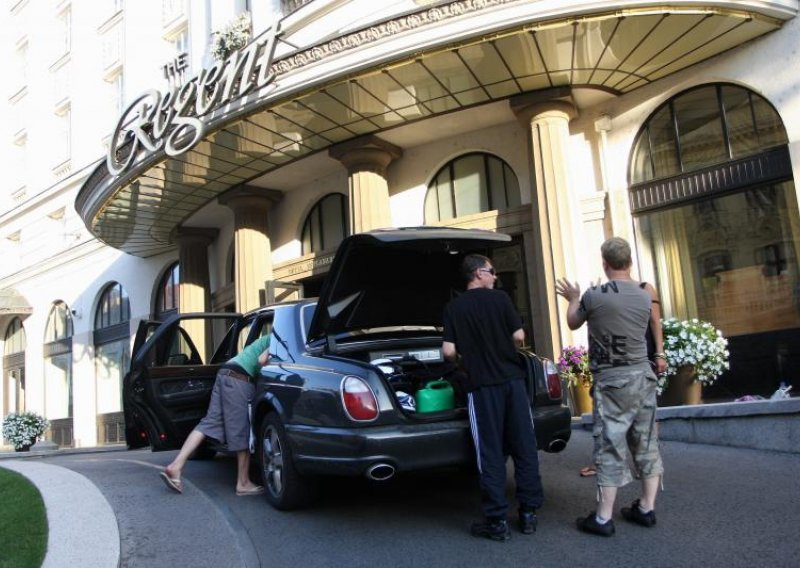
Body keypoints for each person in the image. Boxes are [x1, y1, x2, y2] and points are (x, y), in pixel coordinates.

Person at [555, 237, 667, 537]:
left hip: (612, 379)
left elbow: (573, 322)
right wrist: (659, 354)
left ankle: (603, 518)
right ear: (629, 261)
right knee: (645, 442)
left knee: (609, 444)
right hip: (642, 376)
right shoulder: (645, 295)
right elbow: (654, 324)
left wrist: (574, 297)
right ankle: (646, 508)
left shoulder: (594, 296)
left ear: (605, 264)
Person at [442, 254, 544, 542]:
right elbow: (520, 336)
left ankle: (497, 520)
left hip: (481, 386)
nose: (495, 276)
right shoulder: (501, 300)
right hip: (513, 382)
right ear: (477, 273)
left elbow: (448, 352)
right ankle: (528, 513)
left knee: (489, 452)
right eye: (491, 271)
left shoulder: (453, 307)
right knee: (524, 445)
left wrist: (467, 354)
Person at [159, 334, 271, 496]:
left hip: (225, 372)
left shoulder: (266, 337)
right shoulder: (279, 337)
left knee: (208, 423)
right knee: (243, 429)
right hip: (239, 378)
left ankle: (175, 466)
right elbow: (262, 360)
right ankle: (243, 483)